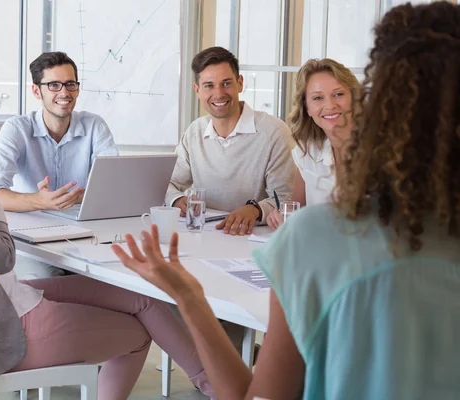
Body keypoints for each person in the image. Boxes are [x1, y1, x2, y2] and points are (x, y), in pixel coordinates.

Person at [112, 2, 460, 399]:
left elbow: (258, 396)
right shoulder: (205, 136)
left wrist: (188, 296)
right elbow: (175, 184)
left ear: (377, 100)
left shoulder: (313, 237)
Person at [0, 60, 215, 400]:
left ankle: (214, 385)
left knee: (143, 298)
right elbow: (4, 254)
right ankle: (218, 386)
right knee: (141, 332)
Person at [0, 51, 119, 279]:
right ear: (37, 91)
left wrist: (73, 197)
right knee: (52, 279)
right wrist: (39, 201)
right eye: (54, 85)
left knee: (114, 277)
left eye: (70, 84)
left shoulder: (94, 125)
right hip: (32, 239)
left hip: (84, 235)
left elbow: (114, 185)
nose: (64, 93)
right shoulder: (17, 129)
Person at [165, 46, 296, 236]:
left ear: (240, 83)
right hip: (207, 236)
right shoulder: (195, 132)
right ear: (197, 90)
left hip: (255, 239)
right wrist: (176, 200)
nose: (219, 94)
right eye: (209, 85)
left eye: (226, 83)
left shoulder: (274, 132)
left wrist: (255, 209)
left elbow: (286, 199)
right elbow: (166, 183)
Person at [267, 58, 360, 229]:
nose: (330, 105)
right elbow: (296, 213)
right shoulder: (307, 152)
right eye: (318, 98)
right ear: (307, 108)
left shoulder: (381, 150)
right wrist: (281, 218)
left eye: (338, 94)